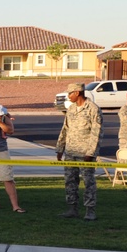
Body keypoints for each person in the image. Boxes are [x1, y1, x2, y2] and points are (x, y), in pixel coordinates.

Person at [55, 83, 102, 221]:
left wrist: (91, 152)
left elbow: (97, 132)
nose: (69, 96)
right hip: (70, 152)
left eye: (70, 93)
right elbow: (65, 129)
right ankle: (72, 208)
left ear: (78, 93)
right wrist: (60, 148)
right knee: (70, 181)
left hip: (85, 153)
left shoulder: (93, 109)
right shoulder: (71, 109)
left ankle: (90, 210)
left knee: (88, 182)